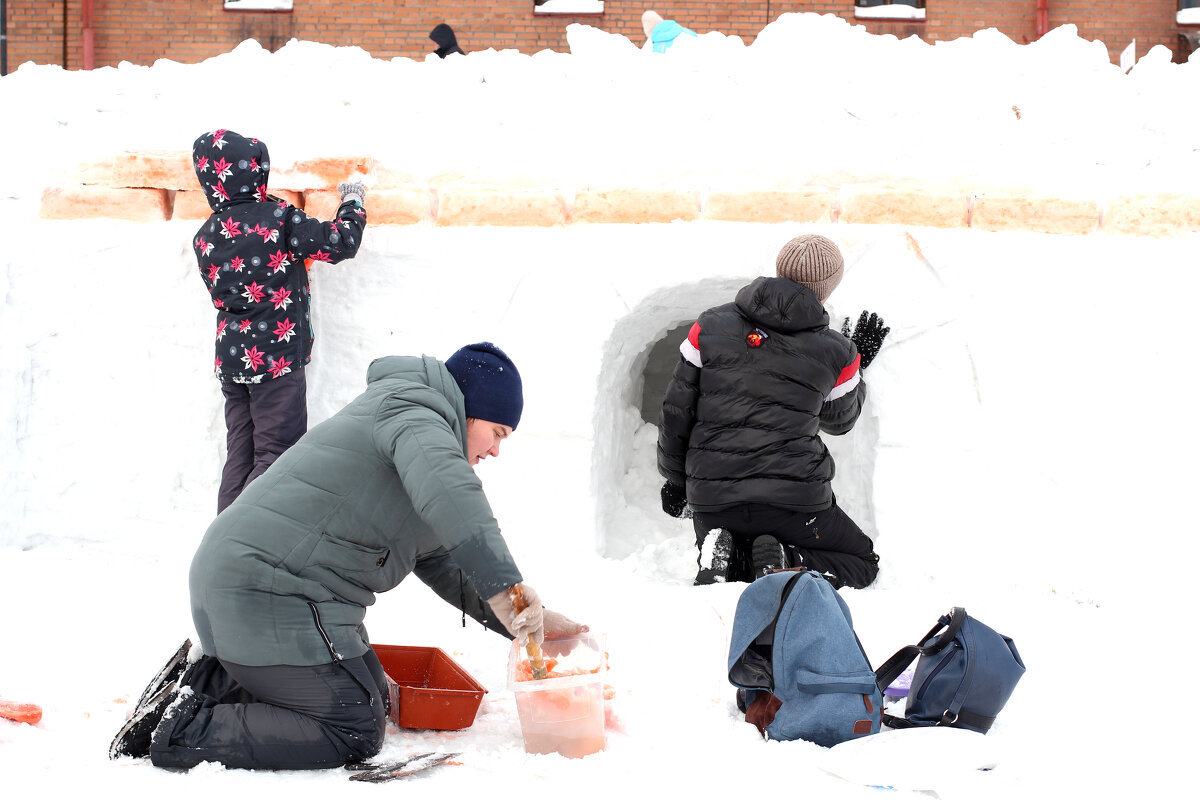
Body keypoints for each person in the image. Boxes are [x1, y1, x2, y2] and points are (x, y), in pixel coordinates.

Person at [109, 342, 587, 769]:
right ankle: (181, 730)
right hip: (265, 589)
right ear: (469, 410)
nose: (497, 450)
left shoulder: (413, 441)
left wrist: (531, 619)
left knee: (373, 694)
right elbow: (455, 497)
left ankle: (203, 684)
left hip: (261, 589)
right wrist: (509, 589)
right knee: (352, 725)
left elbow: (447, 562)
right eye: (498, 431)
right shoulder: (415, 414)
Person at [657, 234, 890, 589]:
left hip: (712, 502)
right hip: (796, 507)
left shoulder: (709, 326)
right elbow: (839, 421)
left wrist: (676, 481)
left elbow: (676, 413)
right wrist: (852, 367)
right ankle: (788, 559)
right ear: (826, 290)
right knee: (862, 562)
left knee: (729, 534)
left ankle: (725, 553)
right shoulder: (836, 351)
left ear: (780, 269)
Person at [192, 129, 368, 514]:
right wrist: (353, 201)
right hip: (276, 360)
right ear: (256, 172)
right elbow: (340, 242)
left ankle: (224, 539)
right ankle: (252, 539)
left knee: (240, 454)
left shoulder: (205, 236)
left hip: (232, 363)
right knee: (277, 458)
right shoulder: (278, 220)